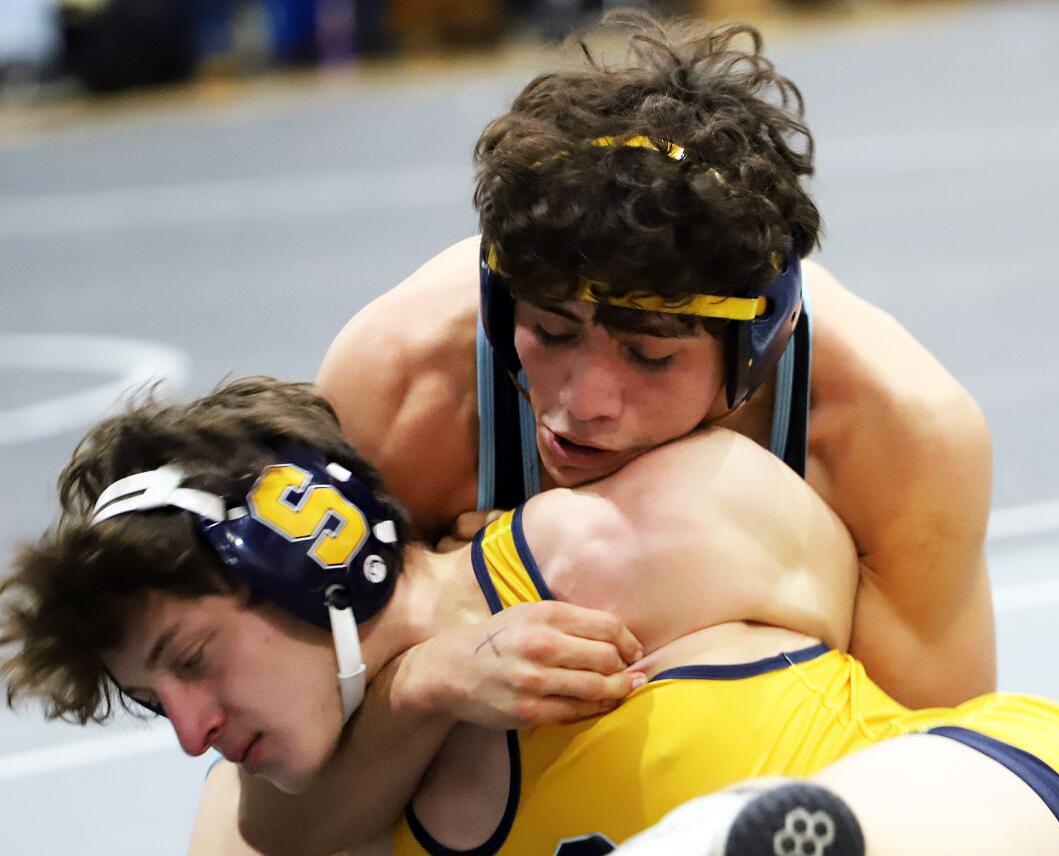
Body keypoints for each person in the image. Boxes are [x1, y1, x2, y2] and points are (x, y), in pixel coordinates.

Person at [232, 14, 994, 849]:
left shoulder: (898, 429)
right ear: (498, 303)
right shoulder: (404, 383)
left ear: (755, 348)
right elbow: (287, 815)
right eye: (551, 334)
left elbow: (936, 781)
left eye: (649, 356)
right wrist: (426, 670)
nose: (583, 400)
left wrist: (700, 587)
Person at [4, 379, 1059, 856]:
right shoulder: (294, 800)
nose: (191, 732)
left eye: (193, 661)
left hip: (1029, 807)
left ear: (307, 543)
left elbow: (911, 460)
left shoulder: (611, 541)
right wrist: (422, 688)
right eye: (158, 700)